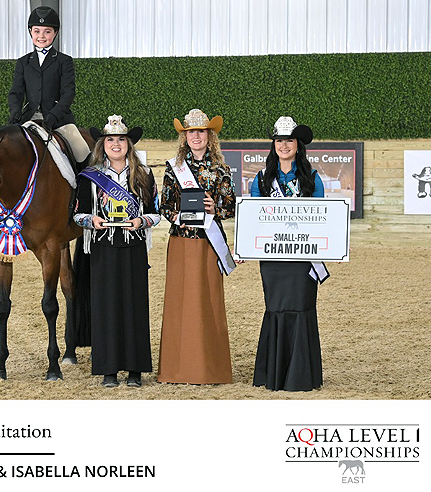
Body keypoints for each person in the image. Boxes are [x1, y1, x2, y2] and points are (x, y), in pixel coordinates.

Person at [73, 115, 160, 387]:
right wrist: (92, 220)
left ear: (128, 144)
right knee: (105, 308)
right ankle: (108, 369)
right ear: (103, 144)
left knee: (135, 307)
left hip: (134, 246)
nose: (116, 144)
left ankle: (135, 370)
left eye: (121, 139)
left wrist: (141, 221)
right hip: (103, 247)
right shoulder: (90, 177)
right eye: (110, 139)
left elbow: (156, 213)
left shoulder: (144, 174)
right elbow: (77, 214)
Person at [157, 109, 236, 385]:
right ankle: (175, 369)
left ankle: (211, 369)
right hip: (181, 241)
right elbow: (164, 205)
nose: (196, 136)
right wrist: (178, 215)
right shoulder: (174, 168)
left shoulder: (222, 169)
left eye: (201, 131)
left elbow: (230, 207)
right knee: (179, 303)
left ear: (209, 135)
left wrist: (216, 208)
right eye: (191, 132)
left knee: (208, 302)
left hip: (208, 244)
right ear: (185, 137)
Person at [250, 116, 327, 391]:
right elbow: (254, 220)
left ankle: (300, 375)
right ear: (274, 144)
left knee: (302, 307)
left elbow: (323, 218)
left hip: (302, 257)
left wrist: (335, 242)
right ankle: (275, 373)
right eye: (279, 140)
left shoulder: (312, 178)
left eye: (289, 140)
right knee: (276, 308)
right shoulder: (261, 180)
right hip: (273, 258)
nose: (284, 145)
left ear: (298, 145)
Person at [8, 5, 90, 167]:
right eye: (37, 31)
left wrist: (54, 115)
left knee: (82, 151)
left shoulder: (64, 61)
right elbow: (16, 92)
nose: (41, 36)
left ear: (55, 33)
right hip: (29, 118)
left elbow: (68, 93)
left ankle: (83, 183)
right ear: (30, 32)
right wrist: (15, 112)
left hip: (59, 120)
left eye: (47, 31)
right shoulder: (23, 62)